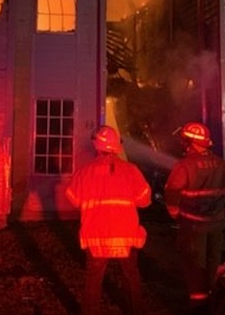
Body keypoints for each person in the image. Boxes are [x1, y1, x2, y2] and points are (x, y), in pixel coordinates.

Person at [66, 125, 152, 315]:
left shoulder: (84, 172)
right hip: (126, 236)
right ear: (117, 146)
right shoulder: (131, 170)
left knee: (94, 279)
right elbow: (145, 201)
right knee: (131, 276)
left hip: (96, 236)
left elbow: (73, 199)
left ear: (96, 145)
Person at [163, 122, 225, 307]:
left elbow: (172, 194)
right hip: (216, 226)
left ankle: (199, 307)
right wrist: (224, 213)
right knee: (214, 266)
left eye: (185, 141)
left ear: (191, 143)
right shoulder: (223, 165)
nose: (182, 144)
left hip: (192, 228)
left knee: (195, 269)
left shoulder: (184, 166)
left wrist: (176, 215)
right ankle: (215, 304)